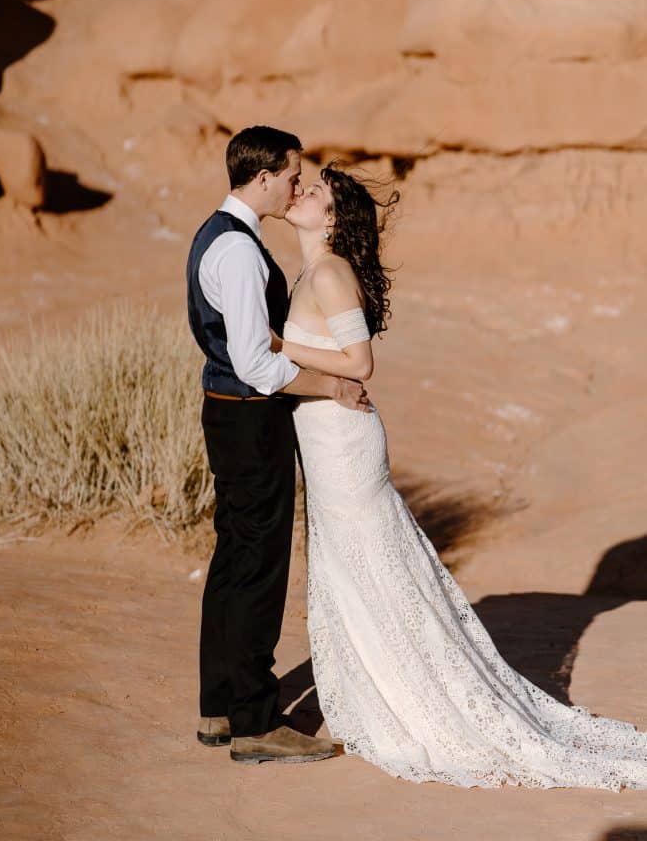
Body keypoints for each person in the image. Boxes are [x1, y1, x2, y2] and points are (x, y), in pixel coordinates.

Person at [272, 162, 647, 789]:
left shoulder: (330, 272)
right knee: (356, 569)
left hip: (343, 443)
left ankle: (416, 705)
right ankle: (383, 694)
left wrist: (279, 346)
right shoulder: (314, 271)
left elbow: (359, 362)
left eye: (316, 191)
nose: (303, 191)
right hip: (328, 438)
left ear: (332, 219)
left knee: (371, 568)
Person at [186, 126, 369, 766]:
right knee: (258, 569)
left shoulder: (218, 234)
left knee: (234, 560)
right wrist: (331, 386)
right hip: (249, 418)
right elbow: (255, 362)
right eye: (292, 176)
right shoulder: (237, 250)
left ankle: (219, 708)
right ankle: (257, 723)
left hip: (228, 414)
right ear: (263, 177)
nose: (297, 186)